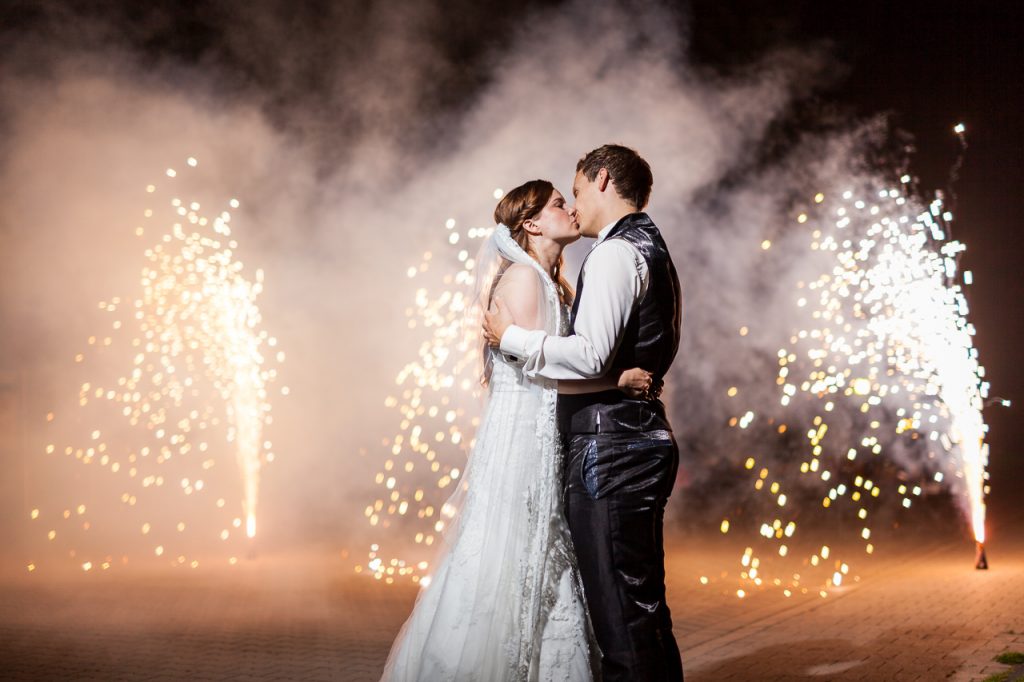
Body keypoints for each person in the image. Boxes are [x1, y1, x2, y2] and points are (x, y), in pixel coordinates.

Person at [381, 179, 655, 681]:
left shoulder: (545, 280)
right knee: (512, 560)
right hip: (522, 440)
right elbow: (546, 377)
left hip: (539, 435)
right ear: (529, 224)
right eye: (557, 204)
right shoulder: (527, 280)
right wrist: (618, 380)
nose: (570, 209)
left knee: (538, 560)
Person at [483, 145, 684, 681]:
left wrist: (515, 339)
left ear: (601, 179)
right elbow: (606, 360)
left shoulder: (617, 253)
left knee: (625, 623)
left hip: (613, 449)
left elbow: (592, 352)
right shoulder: (651, 245)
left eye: (574, 191)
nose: (574, 206)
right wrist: (618, 376)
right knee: (641, 613)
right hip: (631, 440)